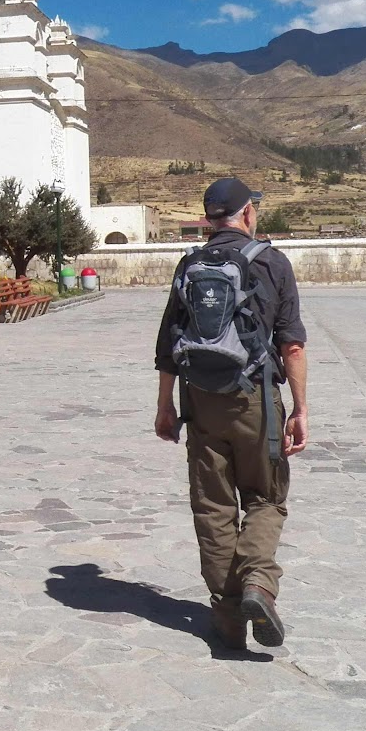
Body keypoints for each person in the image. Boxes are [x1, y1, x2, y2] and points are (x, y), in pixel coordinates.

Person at [153, 177, 308, 650]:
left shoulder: (189, 264)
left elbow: (167, 343)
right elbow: (293, 344)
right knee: (265, 495)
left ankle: (226, 617)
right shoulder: (272, 263)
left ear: (209, 218)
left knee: (213, 506)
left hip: (200, 401)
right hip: (256, 399)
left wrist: (165, 407)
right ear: (247, 214)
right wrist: (300, 409)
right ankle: (259, 584)